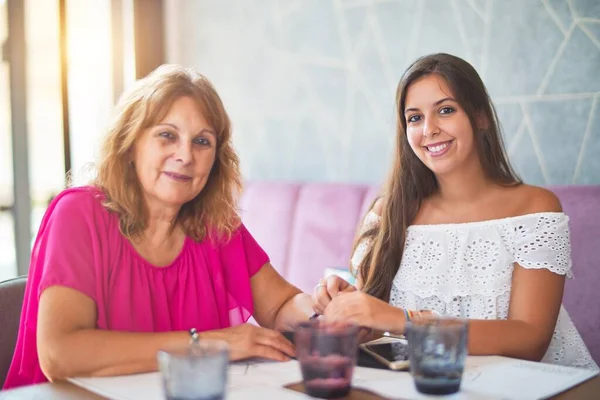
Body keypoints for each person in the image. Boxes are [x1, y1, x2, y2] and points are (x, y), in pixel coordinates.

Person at [4, 65, 314, 389]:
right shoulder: (78, 214)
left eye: (202, 141)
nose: (185, 155)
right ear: (131, 142)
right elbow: (61, 355)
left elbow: (280, 306)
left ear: (216, 160)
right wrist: (207, 344)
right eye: (167, 135)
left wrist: (327, 313)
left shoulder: (216, 225)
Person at [312, 53, 598, 370]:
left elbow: (530, 339)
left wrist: (404, 320)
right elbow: (378, 334)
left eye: (445, 110)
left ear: (480, 116)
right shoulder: (387, 213)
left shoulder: (535, 208)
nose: (429, 129)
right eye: (414, 118)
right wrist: (349, 309)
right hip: (421, 386)